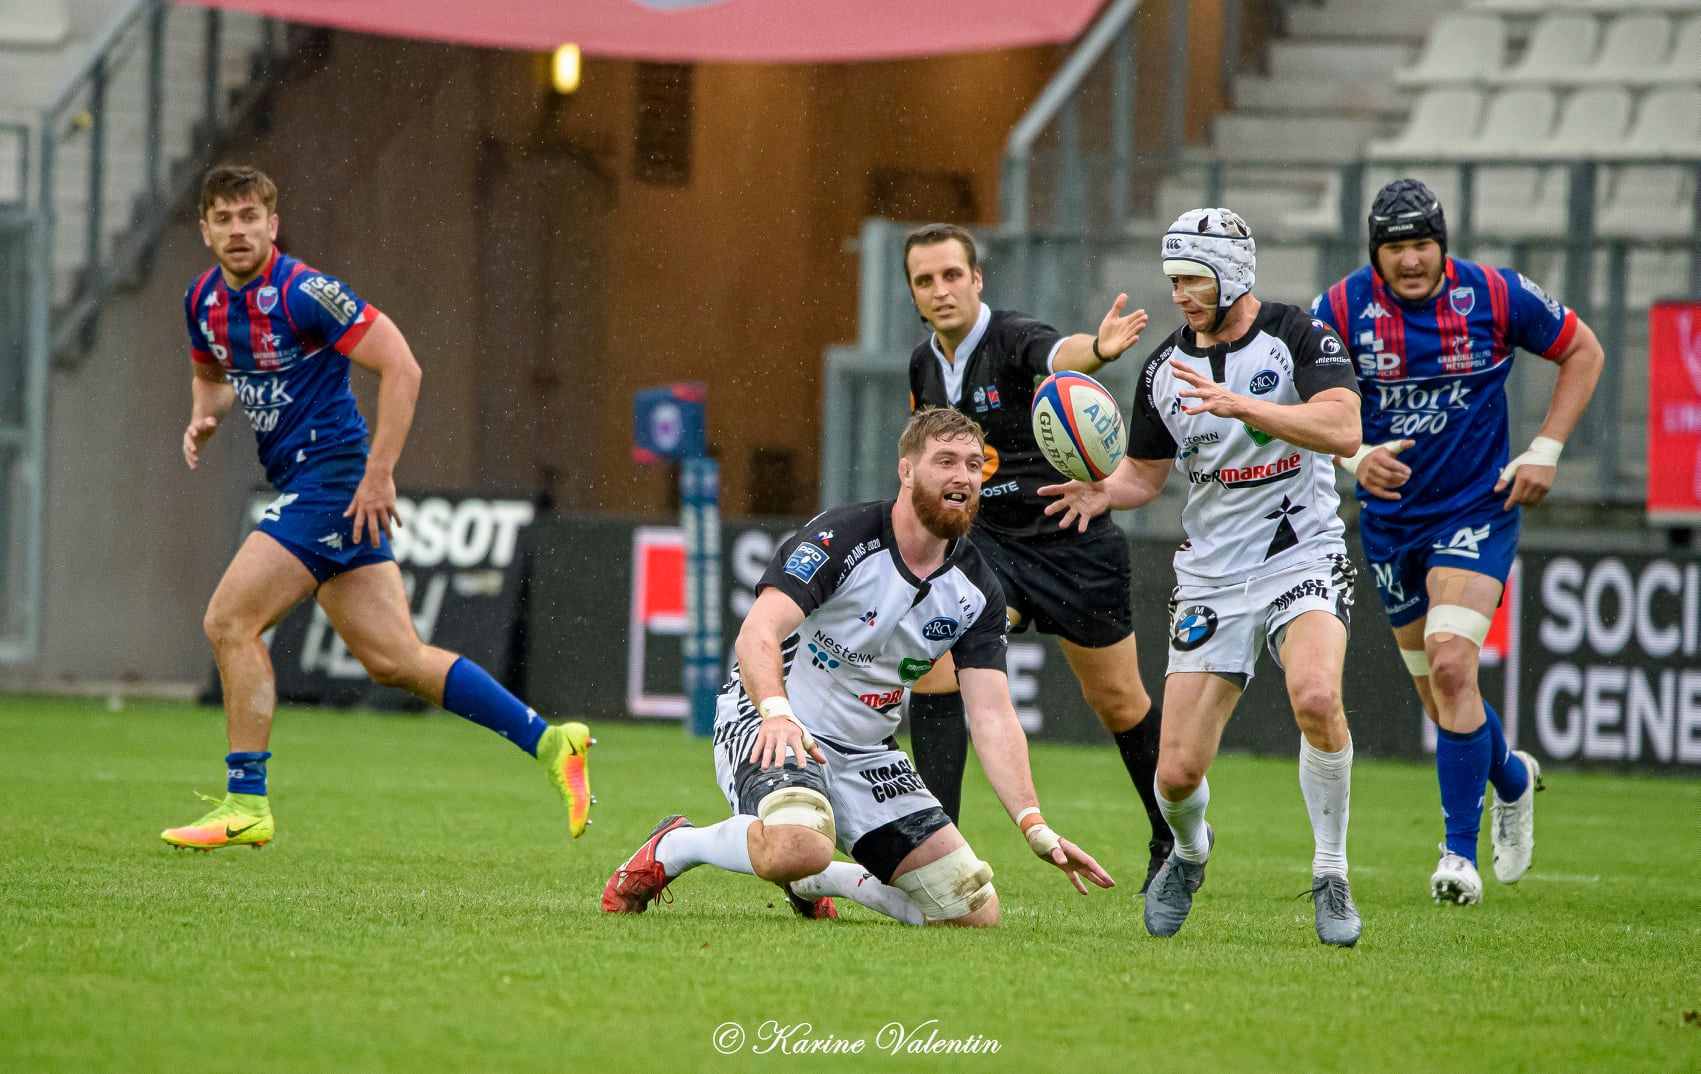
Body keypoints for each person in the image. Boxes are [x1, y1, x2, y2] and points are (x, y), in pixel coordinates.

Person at [162, 164, 592, 850]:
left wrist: (378, 473)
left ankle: (246, 801)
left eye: (250, 217)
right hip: (311, 485)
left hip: (331, 481)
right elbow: (212, 376)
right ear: (206, 231)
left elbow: (403, 366)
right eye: (224, 218)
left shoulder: (307, 292)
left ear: (273, 225)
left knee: (229, 620)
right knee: (396, 659)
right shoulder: (202, 301)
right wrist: (203, 418)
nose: (238, 230)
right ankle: (550, 742)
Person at [601, 407, 1113, 926]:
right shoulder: (843, 537)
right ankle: (676, 845)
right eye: (945, 461)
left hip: (867, 752)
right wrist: (776, 713)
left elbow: (993, 716)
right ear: (906, 471)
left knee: (972, 911)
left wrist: (1033, 824)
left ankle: (817, 880)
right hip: (775, 724)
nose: (962, 476)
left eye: (973, 464)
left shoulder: (978, 590)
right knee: (797, 846)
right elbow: (757, 632)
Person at [1044, 209, 1365, 946]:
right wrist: (1102, 491)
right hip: (1212, 577)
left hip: (1301, 553)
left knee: (1317, 697)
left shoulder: (1298, 335)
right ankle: (1190, 852)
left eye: (1193, 278)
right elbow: (1144, 473)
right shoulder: (1161, 369)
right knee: (1177, 774)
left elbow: (1344, 430)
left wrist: (1242, 405)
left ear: (1234, 274)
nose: (1179, 294)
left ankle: (1331, 872)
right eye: (1174, 280)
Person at [1311, 178, 1604, 905]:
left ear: (1442, 244)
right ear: (1373, 254)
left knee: (1450, 664)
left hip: (1477, 508)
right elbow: (1301, 407)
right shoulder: (1340, 310)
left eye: (1422, 244)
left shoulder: (1496, 295)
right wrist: (1353, 457)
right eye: (1394, 248)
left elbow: (1583, 350)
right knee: (1445, 702)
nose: (1410, 260)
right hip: (1390, 524)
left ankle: (1458, 857)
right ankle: (1511, 776)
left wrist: (1545, 449)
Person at [902, 222, 1177, 891]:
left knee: (1117, 700)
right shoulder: (922, 366)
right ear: (912, 293)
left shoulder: (1010, 336)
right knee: (935, 664)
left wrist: (1097, 351)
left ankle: (1171, 837)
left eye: (951, 275)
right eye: (924, 280)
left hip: (1072, 537)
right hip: (988, 546)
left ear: (976, 279)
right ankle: (936, 852)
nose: (940, 290)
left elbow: (1060, 355)